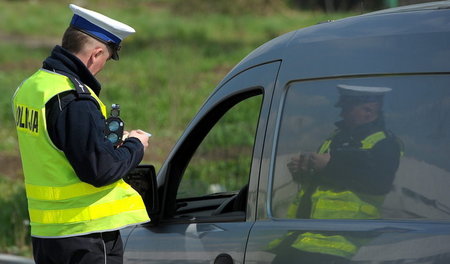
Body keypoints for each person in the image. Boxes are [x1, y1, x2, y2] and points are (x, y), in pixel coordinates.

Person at [12, 4, 150, 264]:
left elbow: (55, 148)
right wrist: (135, 145)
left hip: (47, 235)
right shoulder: (75, 99)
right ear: (95, 54)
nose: (103, 67)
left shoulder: (31, 87)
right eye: (107, 59)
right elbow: (99, 169)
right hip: (86, 236)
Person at [273, 84, 402, 263]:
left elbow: (378, 183)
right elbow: (325, 186)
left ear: (369, 110)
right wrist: (303, 171)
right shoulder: (336, 138)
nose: (342, 113)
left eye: (347, 107)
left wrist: (329, 166)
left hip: (341, 248)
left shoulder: (385, 144)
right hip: (304, 239)